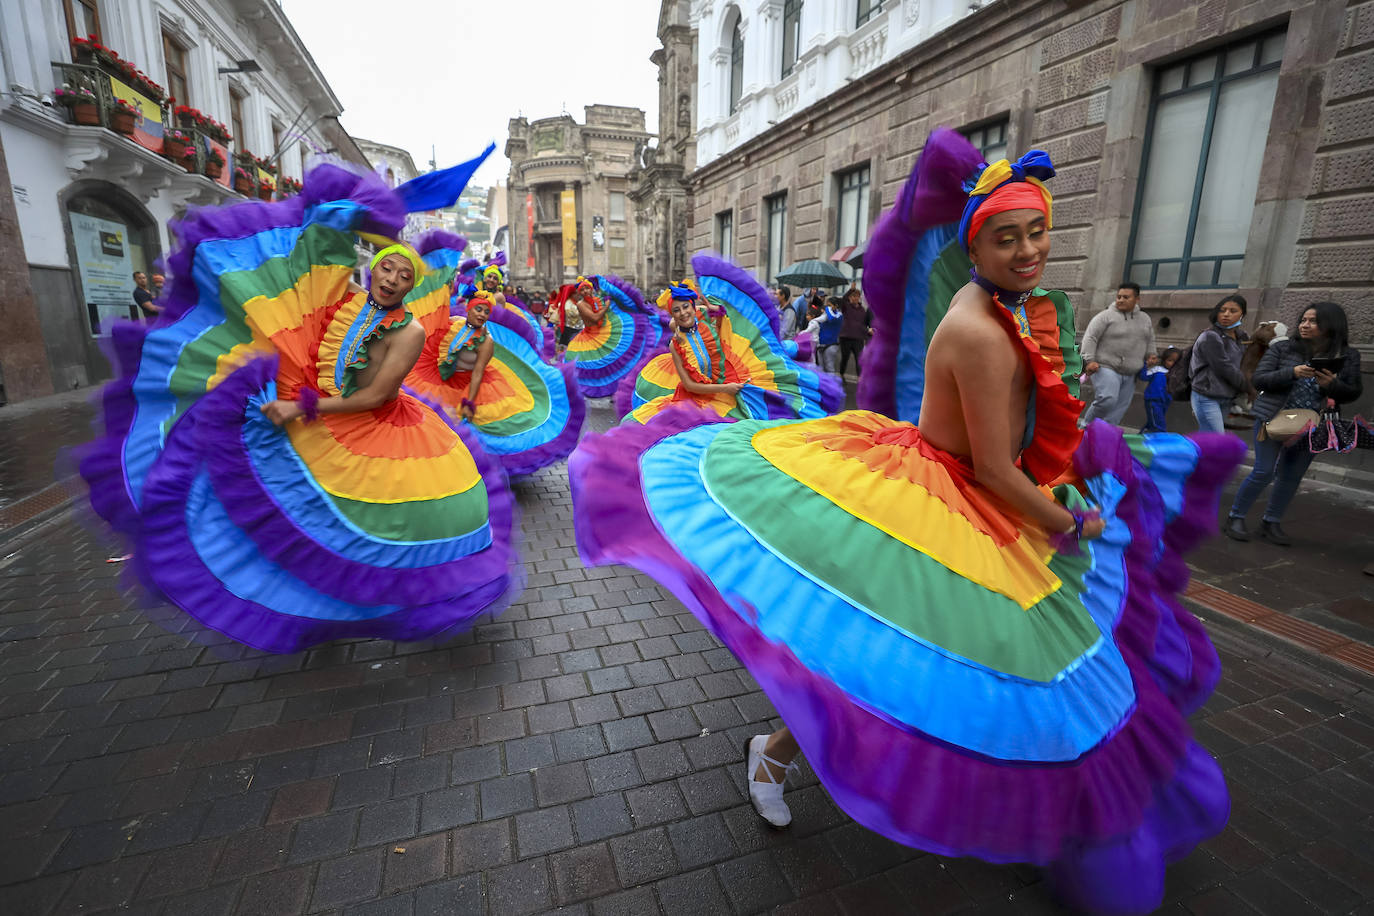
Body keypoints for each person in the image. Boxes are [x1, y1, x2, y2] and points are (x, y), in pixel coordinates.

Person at [569, 131, 1242, 915]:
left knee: (916, 660)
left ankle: (818, 760)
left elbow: (1013, 438)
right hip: (945, 499)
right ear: (975, 245)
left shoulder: (1002, 305)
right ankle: (785, 756)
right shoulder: (981, 330)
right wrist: (1071, 524)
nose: (1028, 250)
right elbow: (994, 469)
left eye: (1036, 231)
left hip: (972, 494)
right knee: (900, 657)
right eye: (1006, 237)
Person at [79, 164, 516, 653]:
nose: (392, 279)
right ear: (373, 269)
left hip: (375, 424)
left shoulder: (409, 331)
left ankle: (419, 596)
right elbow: (308, 269)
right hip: (324, 415)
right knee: (293, 509)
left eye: (404, 275)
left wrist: (300, 409)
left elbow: (375, 397)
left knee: (400, 519)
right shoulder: (347, 300)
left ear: (411, 285)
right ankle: (317, 605)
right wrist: (339, 217)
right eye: (387, 268)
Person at [616, 267, 841, 424]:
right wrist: (726, 388)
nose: (683, 312)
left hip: (723, 384)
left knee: (770, 403)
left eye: (686, 307)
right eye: (677, 310)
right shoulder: (677, 342)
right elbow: (690, 385)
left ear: (694, 306)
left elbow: (724, 314)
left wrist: (710, 304)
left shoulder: (704, 318)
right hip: (698, 398)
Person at [1224, 301, 1363, 545]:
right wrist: (1292, 373)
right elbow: (1259, 379)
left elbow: (1353, 391)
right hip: (1274, 417)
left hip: (1313, 424)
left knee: (1292, 475)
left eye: (1313, 321)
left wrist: (1332, 385)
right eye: (1303, 320)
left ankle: (1271, 522)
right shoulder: (1283, 348)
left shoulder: (1347, 355)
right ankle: (1235, 517)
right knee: (1264, 471)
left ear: (1331, 325)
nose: (1304, 325)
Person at [1079, 282, 1155, 427]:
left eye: (1126, 297)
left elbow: (1150, 338)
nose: (1120, 300)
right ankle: (1086, 427)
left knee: (1118, 409)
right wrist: (1089, 360)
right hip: (1105, 366)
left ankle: (1105, 435)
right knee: (1108, 399)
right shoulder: (1105, 316)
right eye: (1119, 297)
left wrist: (1151, 354)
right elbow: (1090, 337)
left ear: (1137, 299)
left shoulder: (1145, 318)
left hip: (1131, 371)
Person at [1189, 294, 1249, 433]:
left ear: (1242, 315)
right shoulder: (1210, 336)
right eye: (1222, 310)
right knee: (1216, 437)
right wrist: (1248, 386)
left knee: (1208, 438)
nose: (1226, 314)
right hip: (1206, 395)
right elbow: (1224, 367)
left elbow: (1247, 363)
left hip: (1227, 397)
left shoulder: (1242, 337)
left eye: (1233, 311)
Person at [1139, 348, 1179, 433]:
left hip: (1165, 402)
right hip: (1153, 400)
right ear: (1164, 360)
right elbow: (1143, 376)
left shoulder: (1177, 374)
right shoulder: (1157, 370)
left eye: (1176, 362)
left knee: (1153, 422)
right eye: (1170, 360)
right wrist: (1145, 364)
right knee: (1159, 425)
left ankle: (1142, 436)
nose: (1173, 364)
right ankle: (1161, 437)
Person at [836, 285, 872, 378]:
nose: (855, 298)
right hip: (846, 338)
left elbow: (863, 324)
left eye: (857, 296)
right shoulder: (846, 307)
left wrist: (868, 330)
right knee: (845, 358)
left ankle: (860, 378)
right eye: (853, 296)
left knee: (859, 359)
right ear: (850, 297)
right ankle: (841, 374)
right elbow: (842, 300)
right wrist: (850, 290)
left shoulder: (862, 310)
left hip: (858, 338)